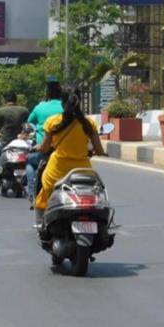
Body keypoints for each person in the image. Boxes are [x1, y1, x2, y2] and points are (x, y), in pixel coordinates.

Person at [34, 89, 106, 227]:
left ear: (62, 103)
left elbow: (44, 148)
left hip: (56, 173)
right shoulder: (88, 123)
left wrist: (37, 147)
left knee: (43, 192)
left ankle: (40, 224)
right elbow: (99, 150)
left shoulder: (52, 122)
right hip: (83, 172)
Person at [25, 80, 64, 204]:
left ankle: (32, 194)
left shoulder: (39, 107)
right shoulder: (67, 108)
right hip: (64, 151)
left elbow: (29, 122)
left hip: (45, 151)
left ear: (47, 94)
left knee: (28, 161)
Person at [0, 94, 30, 178]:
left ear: (5, 101)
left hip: (5, 142)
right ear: (15, 100)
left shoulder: (1, 111)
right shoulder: (24, 110)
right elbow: (29, 124)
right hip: (21, 143)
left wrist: (2, 130)